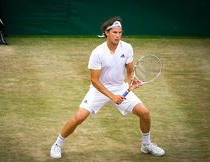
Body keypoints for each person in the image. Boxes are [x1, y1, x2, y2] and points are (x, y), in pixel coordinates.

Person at [50, 16, 165, 158]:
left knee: (145, 113)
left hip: (119, 87)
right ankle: (57, 144)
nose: (118, 36)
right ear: (106, 32)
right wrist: (112, 96)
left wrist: (132, 80)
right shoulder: (97, 52)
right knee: (79, 118)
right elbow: (94, 81)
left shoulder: (127, 48)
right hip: (99, 89)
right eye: (115, 32)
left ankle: (146, 145)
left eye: (120, 32)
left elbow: (129, 71)